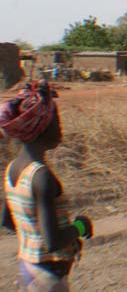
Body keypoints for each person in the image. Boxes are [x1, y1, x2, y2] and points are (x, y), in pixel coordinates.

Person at [1, 81, 93, 291]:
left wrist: (35, 237)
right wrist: (80, 226)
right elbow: (52, 242)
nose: (59, 127)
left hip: (29, 266)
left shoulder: (14, 168)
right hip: (48, 276)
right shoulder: (41, 177)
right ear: (39, 127)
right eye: (55, 120)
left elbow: (7, 221)